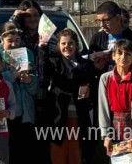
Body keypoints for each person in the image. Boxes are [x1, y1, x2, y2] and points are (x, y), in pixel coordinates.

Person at [42, 28, 97, 164]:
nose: (67, 47)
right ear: (58, 46)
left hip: (79, 115)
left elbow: (93, 87)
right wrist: (42, 49)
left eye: (71, 43)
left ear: (76, 45)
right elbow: (48, 75)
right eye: (64, 43)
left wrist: (89, 92)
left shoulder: (86, 64)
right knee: (58, 152)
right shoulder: (53, 62)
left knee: (76, 153)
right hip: (58, 116)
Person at [0, 23, 38, 163]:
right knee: (3, 152)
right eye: (9, 41)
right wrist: (11, 75)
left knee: (23, 151)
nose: (14, 44)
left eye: (17, 40)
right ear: (2, 39)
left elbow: (34, 88)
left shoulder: (27, 54)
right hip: (2, 111)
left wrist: (29, 80)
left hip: (24, 111)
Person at [96, 39, 132, 160]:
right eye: (119, 53)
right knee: (116, 160)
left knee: (131, 160)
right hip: (112, 126)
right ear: (113, 56)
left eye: (128, 54)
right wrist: (106, 135)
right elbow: (103, 108)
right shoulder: (105, 78)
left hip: (131, 125)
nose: (123, 57)